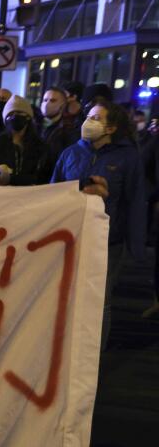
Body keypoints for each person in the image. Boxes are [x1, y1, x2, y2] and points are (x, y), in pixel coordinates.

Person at [51, 100, 147, 348]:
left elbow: (135, 201)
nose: (88, 122)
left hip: (107, 242)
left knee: (99, 300)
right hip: (70, 238)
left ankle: (93, 357)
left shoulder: (128, 157)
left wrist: (136, 246)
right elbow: (52, 194)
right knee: (65, 296)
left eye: (96, 118)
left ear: (111, 128)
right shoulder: (70, 153)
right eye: (88, 116)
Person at [0, 95, 49, 186]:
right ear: (5, 119)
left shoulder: (39, 146)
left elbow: (43, 176)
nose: (15, 116)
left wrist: (11, 178)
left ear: (28, 117)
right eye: (11, 114)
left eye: (20, 113)